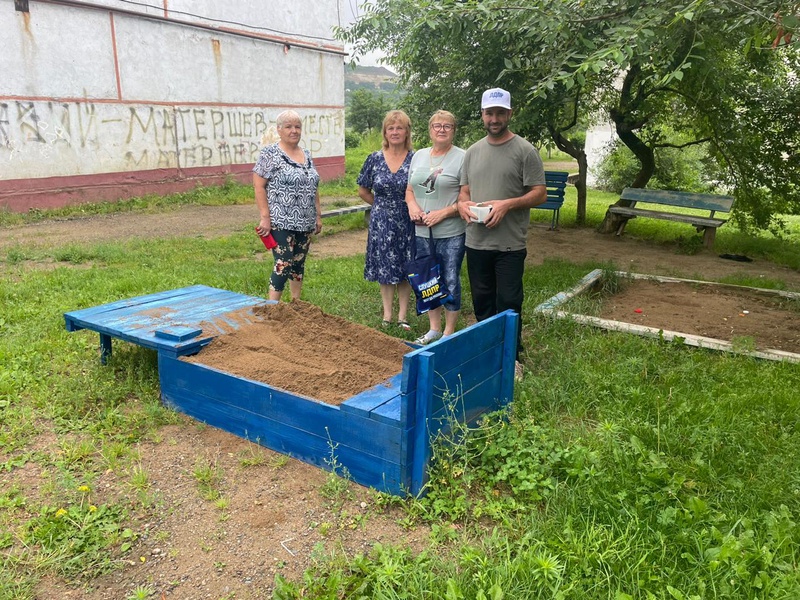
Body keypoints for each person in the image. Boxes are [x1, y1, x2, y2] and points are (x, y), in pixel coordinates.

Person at [457, 88, 547, 378]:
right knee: (482, 302)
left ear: (510, 113)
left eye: (500, 113)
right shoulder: (472, 152)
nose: (494, 118)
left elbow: (540, 193)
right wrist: (463, 206)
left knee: (508, 301)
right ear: (482, 115)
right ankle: (487, 355)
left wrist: (508, 205)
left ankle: (512, 358)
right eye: (489, 113)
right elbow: (464, 191)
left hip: (509, 244)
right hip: (477, 241)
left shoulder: (525, 151)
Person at [405, 110, 466, 345]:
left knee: (450, 279)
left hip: (451, 232)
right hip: (422, 232)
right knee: (428, 278)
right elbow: (410, 190)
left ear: (454, 130)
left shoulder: (462, 157)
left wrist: (444, 213)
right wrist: (412, 206)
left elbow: (467, 197)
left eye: (447, 126)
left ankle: (449, 332)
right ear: (430, 129)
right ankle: (434, 329)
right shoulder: (419, 156)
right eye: (437, 125)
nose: (441, 129)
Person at [253, 110, 322, 302]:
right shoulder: (270, 153)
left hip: (305, 221)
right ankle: (272, 307)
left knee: (298, 264)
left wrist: (318, 215)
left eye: (297, 126)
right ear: (279, 129)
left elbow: (313, 185)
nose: (294, 131)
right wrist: (265, 217)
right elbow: (258, 185)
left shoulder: (306, 154)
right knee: (283, 263)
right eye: (289, 127)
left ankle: (296, 304)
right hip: (280, 220)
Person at [357, 110, 415, 330]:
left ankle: (403, 316)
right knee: (385, 268)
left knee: (404, 266)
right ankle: (387, 314)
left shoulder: (416, 158)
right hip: (381, 221)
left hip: (407, 219)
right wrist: (380, 206)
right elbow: (363, 189)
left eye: (399, 127)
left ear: (407, 131)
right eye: (390, 128)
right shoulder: (374, 158)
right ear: (385, 132)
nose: (395, 132)